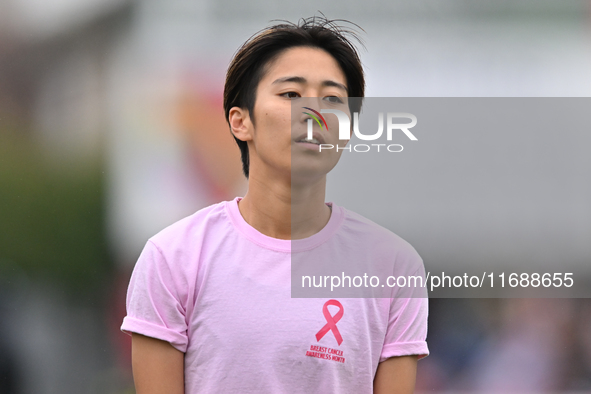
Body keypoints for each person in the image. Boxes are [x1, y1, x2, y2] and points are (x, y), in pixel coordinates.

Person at [121, 16, 429, 393]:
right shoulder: (174, 257)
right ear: (240, 122)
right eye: (291, 95)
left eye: (333, 98)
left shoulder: (393, 266)